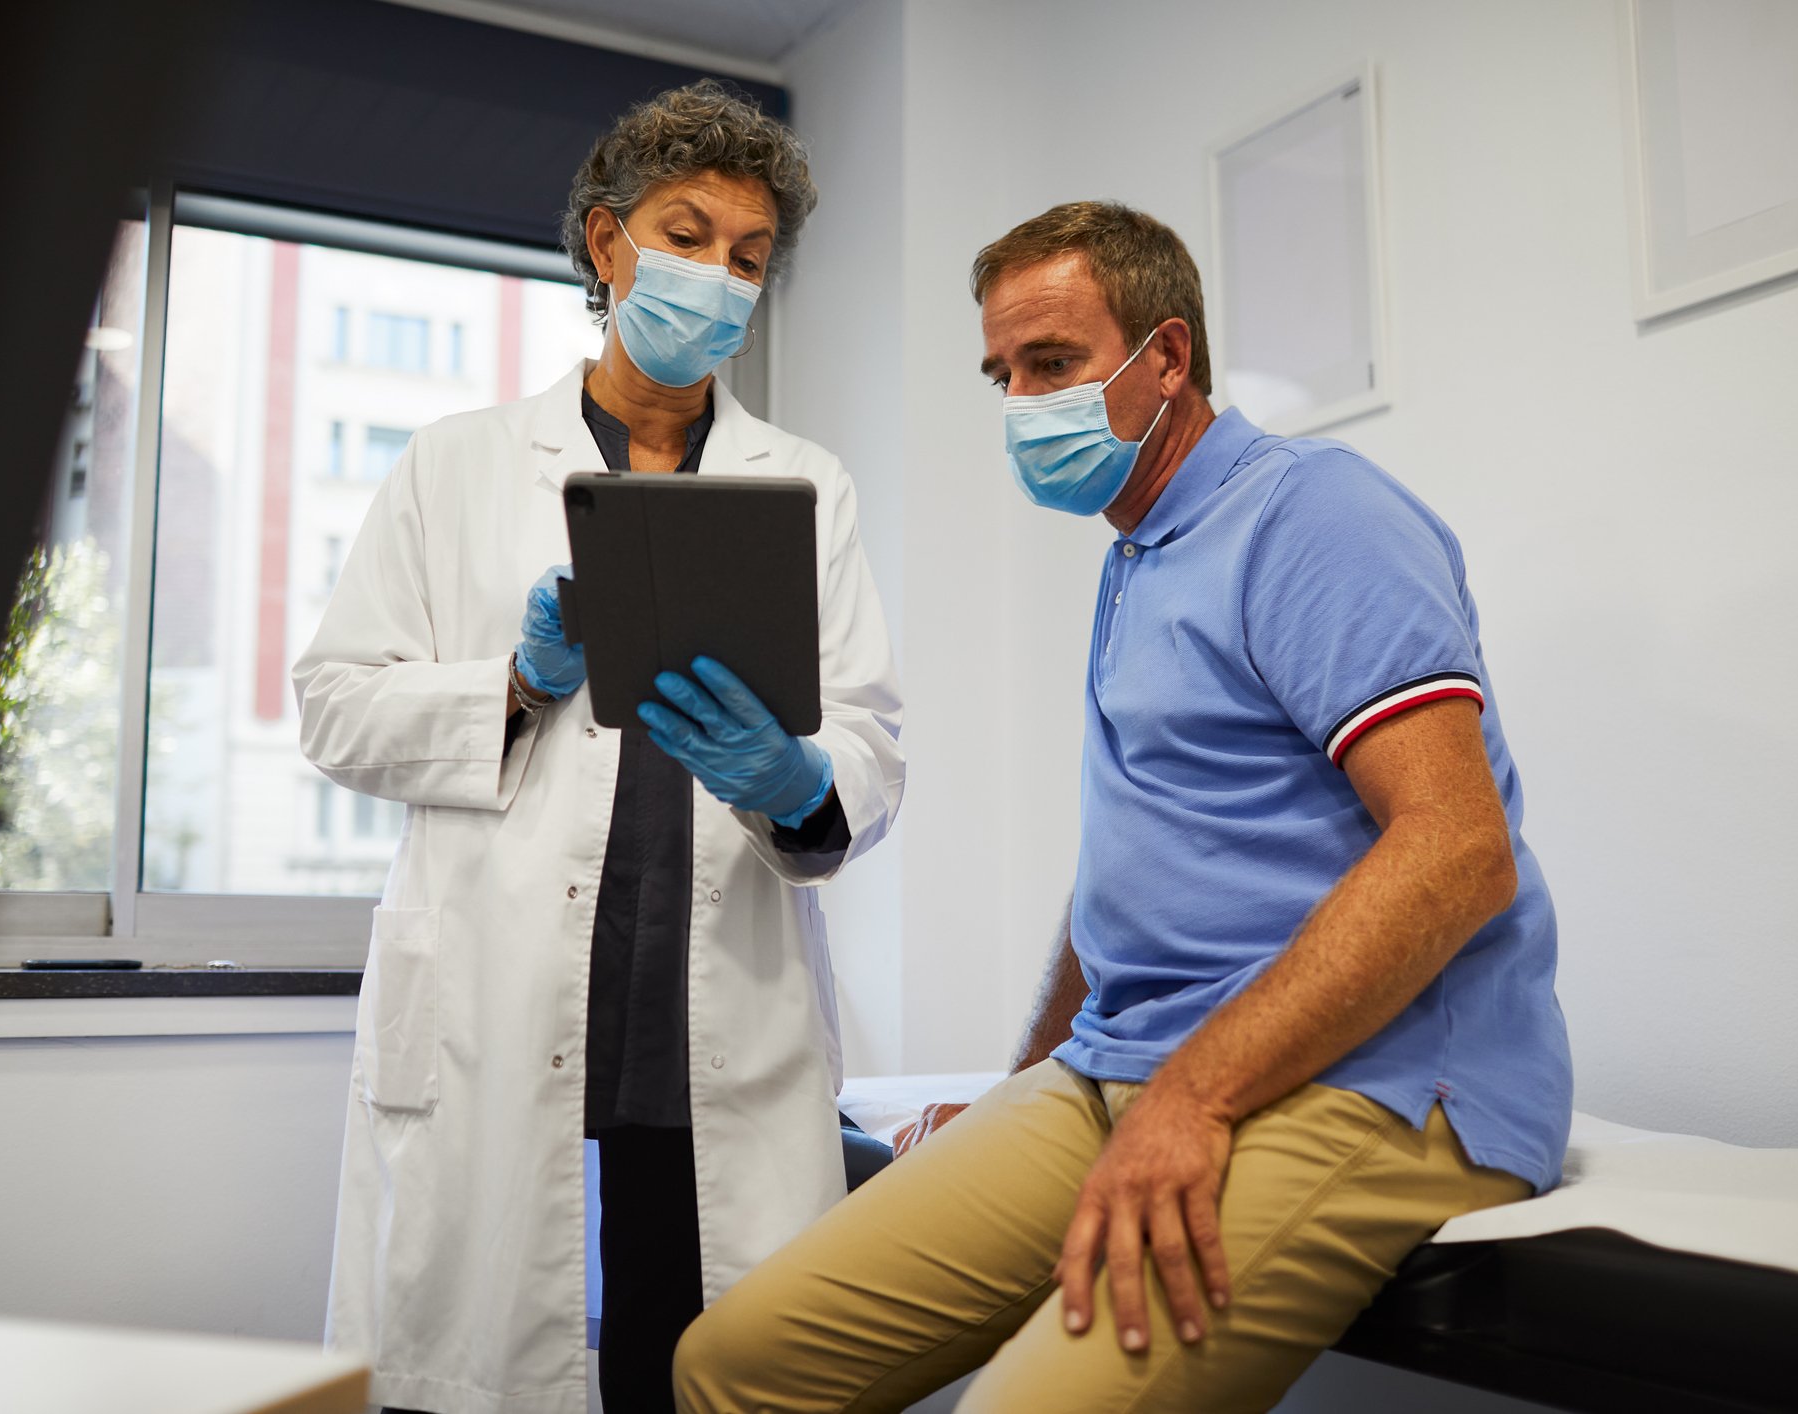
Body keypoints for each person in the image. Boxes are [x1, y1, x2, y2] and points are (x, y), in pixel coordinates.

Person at [671, 200, 1570, 1413]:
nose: (1022, 401)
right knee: (734, 1363)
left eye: (1054, 363)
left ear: (1169, 357)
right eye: (1002, 373)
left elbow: (1460, 850)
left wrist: (1195, 1096)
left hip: (1378, 1076)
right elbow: (1139, 879)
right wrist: (1030, 1078)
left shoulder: (1314, 514)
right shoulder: (1141, 554)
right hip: (1126, 1066)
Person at [293, 80, 903, 1414]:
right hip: (499, 1003)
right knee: (480, 1359)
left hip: (709, 1022)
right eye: (687, 235)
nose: (719, 278)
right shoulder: (455, 465)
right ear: (605, 240)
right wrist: (514, 683)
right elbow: (334, 703)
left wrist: (799, 784)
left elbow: (866, 734)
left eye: (748, 259)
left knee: (683, 1370)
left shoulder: (804, 483)